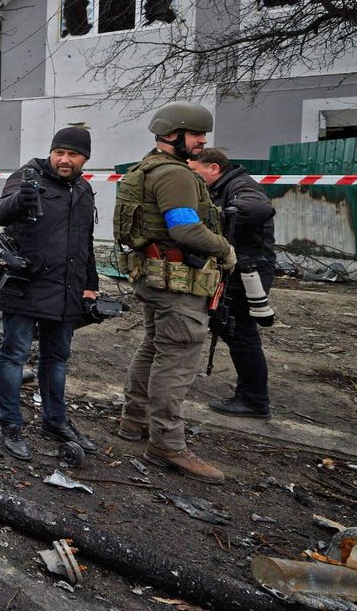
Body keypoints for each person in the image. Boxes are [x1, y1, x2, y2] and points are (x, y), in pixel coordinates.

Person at [114, 102, 237, 483]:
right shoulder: (174, 175)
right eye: (197, 134)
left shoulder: (147, 167)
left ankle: (133, 422)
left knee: (154, 346)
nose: (202, 142)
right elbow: (184, 229)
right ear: (173, 134)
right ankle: (166, 442)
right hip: (176, 283)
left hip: (156, 277)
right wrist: (225, 249)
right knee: (178, 356)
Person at [0, 127, 99, 460]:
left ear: (85, 159)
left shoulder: (84, 189)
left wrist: (90, 285)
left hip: (67, 288)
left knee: (57, 359)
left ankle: (55, 421)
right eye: (59, 152)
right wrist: (19, 201)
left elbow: (86, 243)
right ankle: (10, 425)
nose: (64, 159)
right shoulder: (27, 176)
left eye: (73, 154)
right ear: (51, 152)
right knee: (14, 355)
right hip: (25, 284)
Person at [189, 149, 275, 418]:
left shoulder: (240, 185)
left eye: (195, 171)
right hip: (235, 269)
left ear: (214, 168)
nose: (193, 178)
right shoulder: (224, 186)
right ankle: (251, 394)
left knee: (241, 334)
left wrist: (216, 217)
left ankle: (254, 400)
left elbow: (257, 208)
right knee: (230, 328)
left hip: (247, 271)